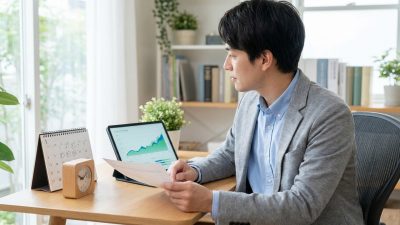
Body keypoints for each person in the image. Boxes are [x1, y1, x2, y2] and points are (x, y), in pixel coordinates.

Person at [162, 0, 364, 224]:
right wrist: (195, 170)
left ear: (265, 59)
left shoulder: (329, 114)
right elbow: (231, 154)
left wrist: (212, 202)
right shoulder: (249, 101)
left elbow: (302, 206)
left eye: (233, 55)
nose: (226, 65)